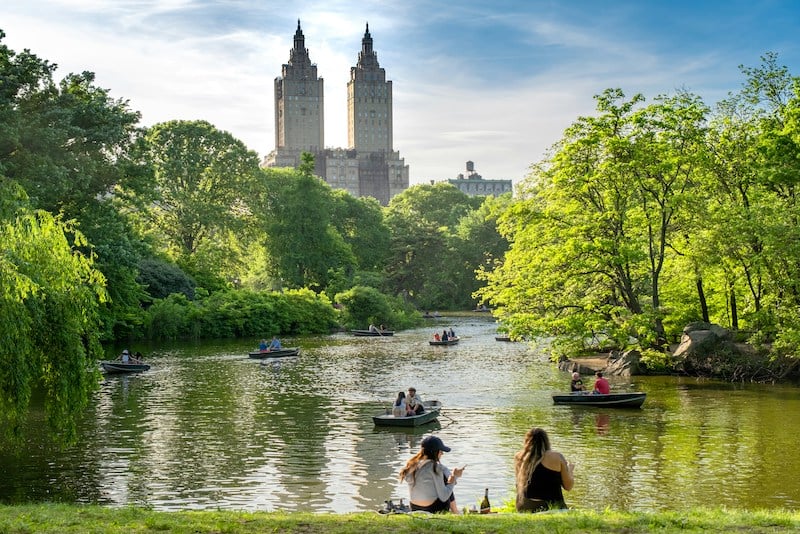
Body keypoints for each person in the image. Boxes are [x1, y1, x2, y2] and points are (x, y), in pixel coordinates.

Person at [514, 427, 574, 513]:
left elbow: (518, 485)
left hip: (524, 507)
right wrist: (570, 470)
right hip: (551, 506)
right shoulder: (556, 457)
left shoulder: (519, 457)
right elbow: (568, 486)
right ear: (546, 441)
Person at [399, 435, 464, 513]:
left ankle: (455, 511)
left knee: (446, 483)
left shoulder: (411, 465)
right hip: (432, 508)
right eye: (441, 451)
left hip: (414, 507)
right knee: (446, 483)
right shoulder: (437, 468)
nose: (442, 454)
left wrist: (453, 479)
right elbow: (444, 496)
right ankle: (455, 512)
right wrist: (455, 476)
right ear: (435, 452)